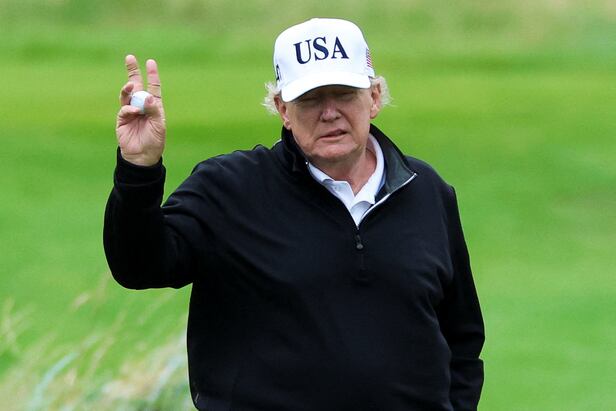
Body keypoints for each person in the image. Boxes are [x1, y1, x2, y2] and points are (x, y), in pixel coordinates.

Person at [104, 17, 484, 411]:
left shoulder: (425, 191)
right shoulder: (230, 189)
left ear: (374, 97)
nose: (330, 112)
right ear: (282, 108)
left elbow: (462, 337)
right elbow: (139, 266)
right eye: (310, 99)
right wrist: (139, 169)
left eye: (344, 94)